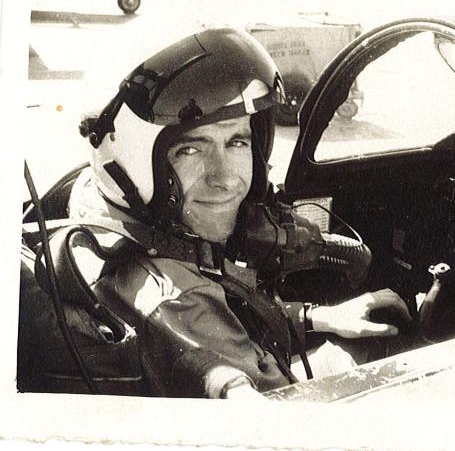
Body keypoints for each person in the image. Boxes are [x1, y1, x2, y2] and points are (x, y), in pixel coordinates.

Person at [52, 27, 410, 400]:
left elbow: (234, 316)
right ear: (132, 159)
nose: (226, 180)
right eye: (190, 149)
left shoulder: (100, 207)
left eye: (237, 141)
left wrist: (315, 317)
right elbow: (283, 413)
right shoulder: (182, 301)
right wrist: (345, 365)